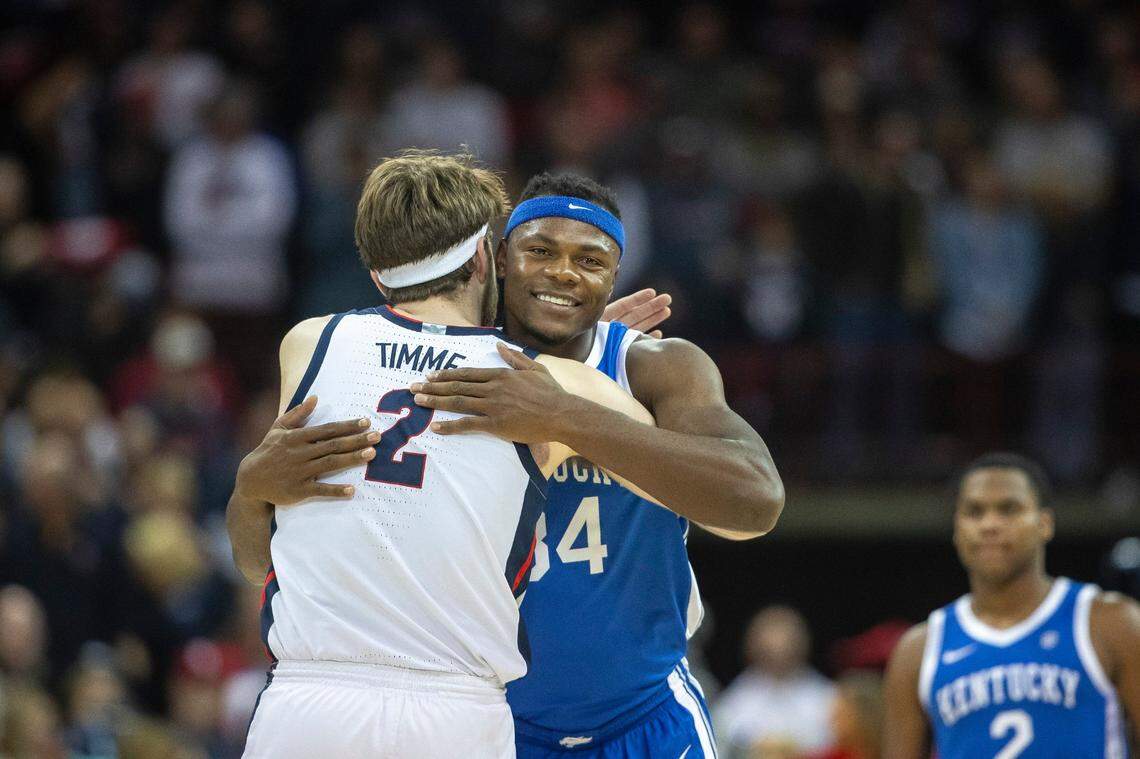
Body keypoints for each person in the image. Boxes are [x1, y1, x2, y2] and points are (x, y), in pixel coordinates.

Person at [232, 171, 785, 758]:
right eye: (540, 251)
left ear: (614, 277)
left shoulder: (651, 368)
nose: (564, 272)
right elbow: (271, 556)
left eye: (590, 261)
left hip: (641, 714)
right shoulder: (431, 367)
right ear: (495, 258)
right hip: (495, 720)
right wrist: (249, 490)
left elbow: (754, 501)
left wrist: (567, 414)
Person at [882, 452, 1140, 758]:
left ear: (1044, 523)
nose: (990, 524)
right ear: (956, 529)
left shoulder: (1111, 623)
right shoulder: (918, 650)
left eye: (1008, 509)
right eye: (974, 512)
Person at [712, 605, 836, 758]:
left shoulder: (827, 696)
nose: (778, 654)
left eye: (785, 647)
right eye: (770, 650)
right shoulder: (735, 699)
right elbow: (722, 739)